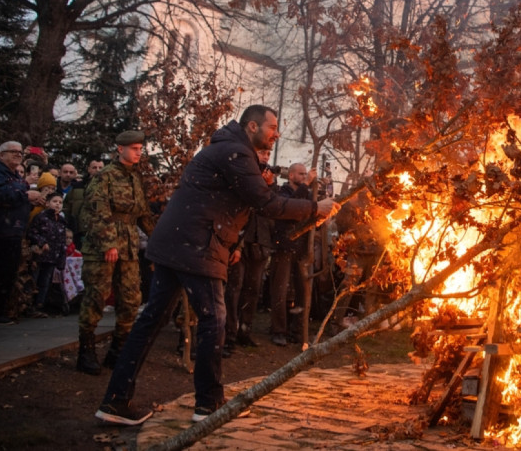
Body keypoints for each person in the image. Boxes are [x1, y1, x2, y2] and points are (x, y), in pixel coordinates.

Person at [95, 105, 340, 426]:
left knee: (151, 321)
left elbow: (235, 200)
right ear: (252, 126)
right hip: (196, 246)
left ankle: (115, 402)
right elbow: (265, 204)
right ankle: (209, 405)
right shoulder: (236, 154)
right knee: (214, 320)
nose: (276, 133)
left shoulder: (229, 150)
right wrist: (314, 208)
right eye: (272, 126)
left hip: (177, 242)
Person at [76, 131, 156, 375]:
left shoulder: (135, 178)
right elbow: (97, 211)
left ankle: (117, 351)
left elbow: (142, 215)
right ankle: (86, 352)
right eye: (133, 148)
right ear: (119, 149)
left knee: (131, 300)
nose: (138, 152)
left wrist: (160, 238)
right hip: (104, 247)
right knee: (96, 297)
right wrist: (109, 244)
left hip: (129, 247)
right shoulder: (104, 177)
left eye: (140, 148)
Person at [223, 148, 276, 353]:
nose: (265, 157)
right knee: (234, 290)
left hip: (261, 242)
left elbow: (273, 208)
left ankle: (245, 331)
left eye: (267, 154)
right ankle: (229, 335)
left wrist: (270, 185)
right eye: (262, 152)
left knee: (253, 290)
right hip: (241, 243)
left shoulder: (269, 182)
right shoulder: (244, 175)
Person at [0, 142, 44, 324]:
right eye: (13, 152)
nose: (18, 155)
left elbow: (16, 197)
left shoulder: (15, 176)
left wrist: (30, 202)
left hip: (12, 231)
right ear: (1, 155)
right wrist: (25, 195)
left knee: (5, 275)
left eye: (20, 152)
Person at [268, 162, 314, 346]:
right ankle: (278, 330)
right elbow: (291, 207)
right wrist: (306, 186)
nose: (304, 177)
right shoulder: (282, 192)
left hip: (301, 249)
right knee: (280, 289)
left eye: (305, 174)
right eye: (301, 174)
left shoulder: (306, 193)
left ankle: (298, 330)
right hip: (284, 246)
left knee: (302, 291)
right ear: (292, 176)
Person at [26, 192, 70, 314]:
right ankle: (29, 305)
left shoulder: (61, 220)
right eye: (55, 202)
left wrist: (61, 259)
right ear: (47, 203)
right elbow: (32, 232)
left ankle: (40, 305)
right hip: (39, 255)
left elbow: (62, 241)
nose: (57, 204)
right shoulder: (41, 217)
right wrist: (42, 242)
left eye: (60, 202)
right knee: (34, 280)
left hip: (53, 256)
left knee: (45, 282)